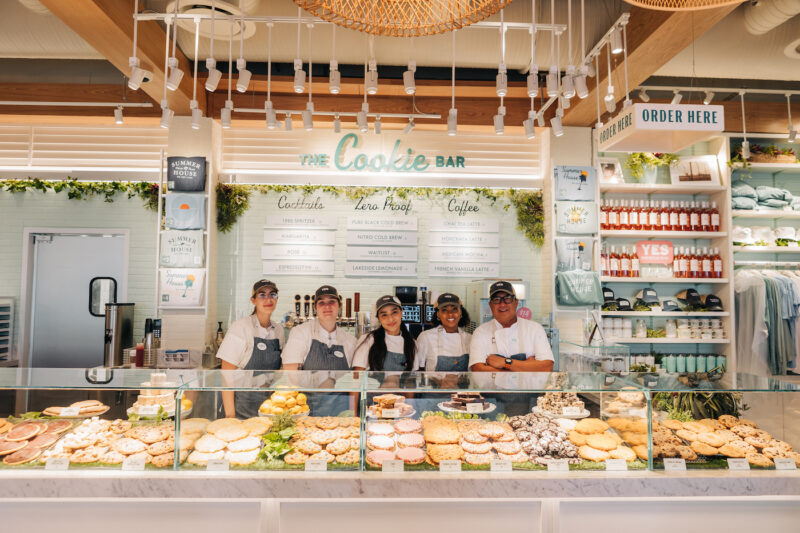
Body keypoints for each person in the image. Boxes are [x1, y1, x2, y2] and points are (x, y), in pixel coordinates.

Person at [281, 285, 358, 415]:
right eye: (321, 302)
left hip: (340, 406)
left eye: (331, 302)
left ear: (339, 306)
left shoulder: (350, 341)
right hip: (308, 405)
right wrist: (297, 409)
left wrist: (352, 413)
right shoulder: (300, 332)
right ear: (315, 308)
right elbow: (291, 372)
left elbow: (354, 380)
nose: (327, 307)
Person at [217, 279, 285, 418]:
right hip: (242, 401)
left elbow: (279, 369)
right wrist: (231, 416)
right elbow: (226, 374)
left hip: (268, 401)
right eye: (262, 295)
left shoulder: (278, 330)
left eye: (272, 294)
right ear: (253, 300)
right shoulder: (241, 327)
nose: (268, 299)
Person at [469, 280, 554, 372]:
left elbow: (547, 367)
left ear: (516, 302)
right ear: (490, 305)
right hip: (492, 387)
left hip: (528, 387)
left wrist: (504, 363)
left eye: (507, 298)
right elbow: (478, 370)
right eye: (497, 300)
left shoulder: (535, 329)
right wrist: (526, 365)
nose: (502, 304)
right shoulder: (480, 332)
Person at [352, 295, 416, 371]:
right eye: (384, 315)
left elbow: (413, 378)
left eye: (394, 312)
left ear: (401, 313)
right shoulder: (368, 340)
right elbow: (357, 375)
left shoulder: (412, 343)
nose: (390, 319)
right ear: (378, 318)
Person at [414, 293, 472, 373]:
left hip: (464, 385)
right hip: (435, 385)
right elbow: (418, 372)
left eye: (454, 309)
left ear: (460, 312)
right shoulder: (426, 337)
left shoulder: (470, 339)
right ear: (438, 314)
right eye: (444, 310)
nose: (450, 314)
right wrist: (437, 380)